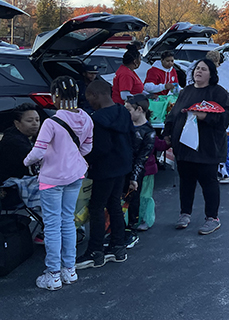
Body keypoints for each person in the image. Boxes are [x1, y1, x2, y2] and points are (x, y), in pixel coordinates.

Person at [22, 76, 93, 290]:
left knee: (52, 225)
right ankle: (69, 270)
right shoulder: (87, 119)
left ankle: (52, 273)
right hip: (75, 176)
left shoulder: (51, 122)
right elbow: (87, 148)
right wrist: (72, 157)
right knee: (68, 221)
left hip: (52, 180)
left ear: (56, 96)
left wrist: (25, 161)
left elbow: (38, 152)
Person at [164, 59, 229, 235]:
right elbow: (173, 114)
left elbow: (226, 117)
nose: (198, 72)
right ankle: (184, 213)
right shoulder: (186, 91)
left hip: (207, 148)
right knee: (186, 182)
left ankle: (212, 218)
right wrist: (168, 133)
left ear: (211, 74)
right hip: (184, 148)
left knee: (208, 182)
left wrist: (204, 116)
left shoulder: (218, 93)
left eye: (203, 69)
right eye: (197, 69)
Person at [77, 79, 134, 269]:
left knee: (96, 207)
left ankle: (95, 251)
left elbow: (100, 148)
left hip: (104, 169)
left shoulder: (97, 120)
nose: (89, 102)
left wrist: (84, 159)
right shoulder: (123, 112)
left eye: (89, 97)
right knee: (114, 204)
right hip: (123, 166)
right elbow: (132, 137)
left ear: (95, 95)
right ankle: (117, 247)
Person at [123, 94, 155, 247]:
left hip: (134, 171)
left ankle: (131, 230)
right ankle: (118, 229)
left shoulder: (149, 132)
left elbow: (142, 158)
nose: (126, 113)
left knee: (132, 201)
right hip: (121, 169)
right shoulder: (126, 125)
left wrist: (134, 177)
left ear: (139, 109)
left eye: (129, 110)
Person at [0, 103, 40, 183]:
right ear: (17, 123)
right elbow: (36, 157)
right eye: (29, 120)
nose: (35, 123)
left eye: (37, 120)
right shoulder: (13, 141)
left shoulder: (32, 137)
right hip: (12, 184)